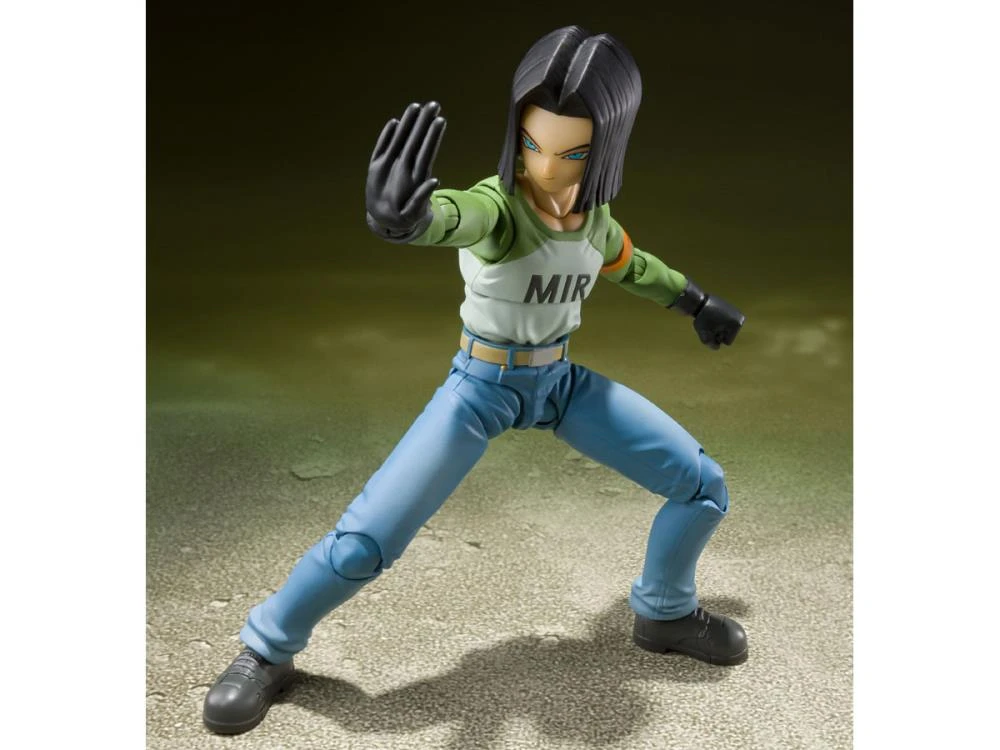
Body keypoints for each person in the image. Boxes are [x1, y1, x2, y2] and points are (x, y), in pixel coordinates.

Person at [203, 26, 747, 736]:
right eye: (533, 144)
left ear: (607, 149)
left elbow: (632, 265)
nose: (546, 167)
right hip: (481, 387)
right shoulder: (501, 210)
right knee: (366, 542)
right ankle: (266, 649)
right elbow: (456, 216)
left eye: (572, 153)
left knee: (702, 485)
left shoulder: (593, 221)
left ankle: (665, 613)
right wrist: (409, 221)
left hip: (559, 385)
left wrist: (694, 301)